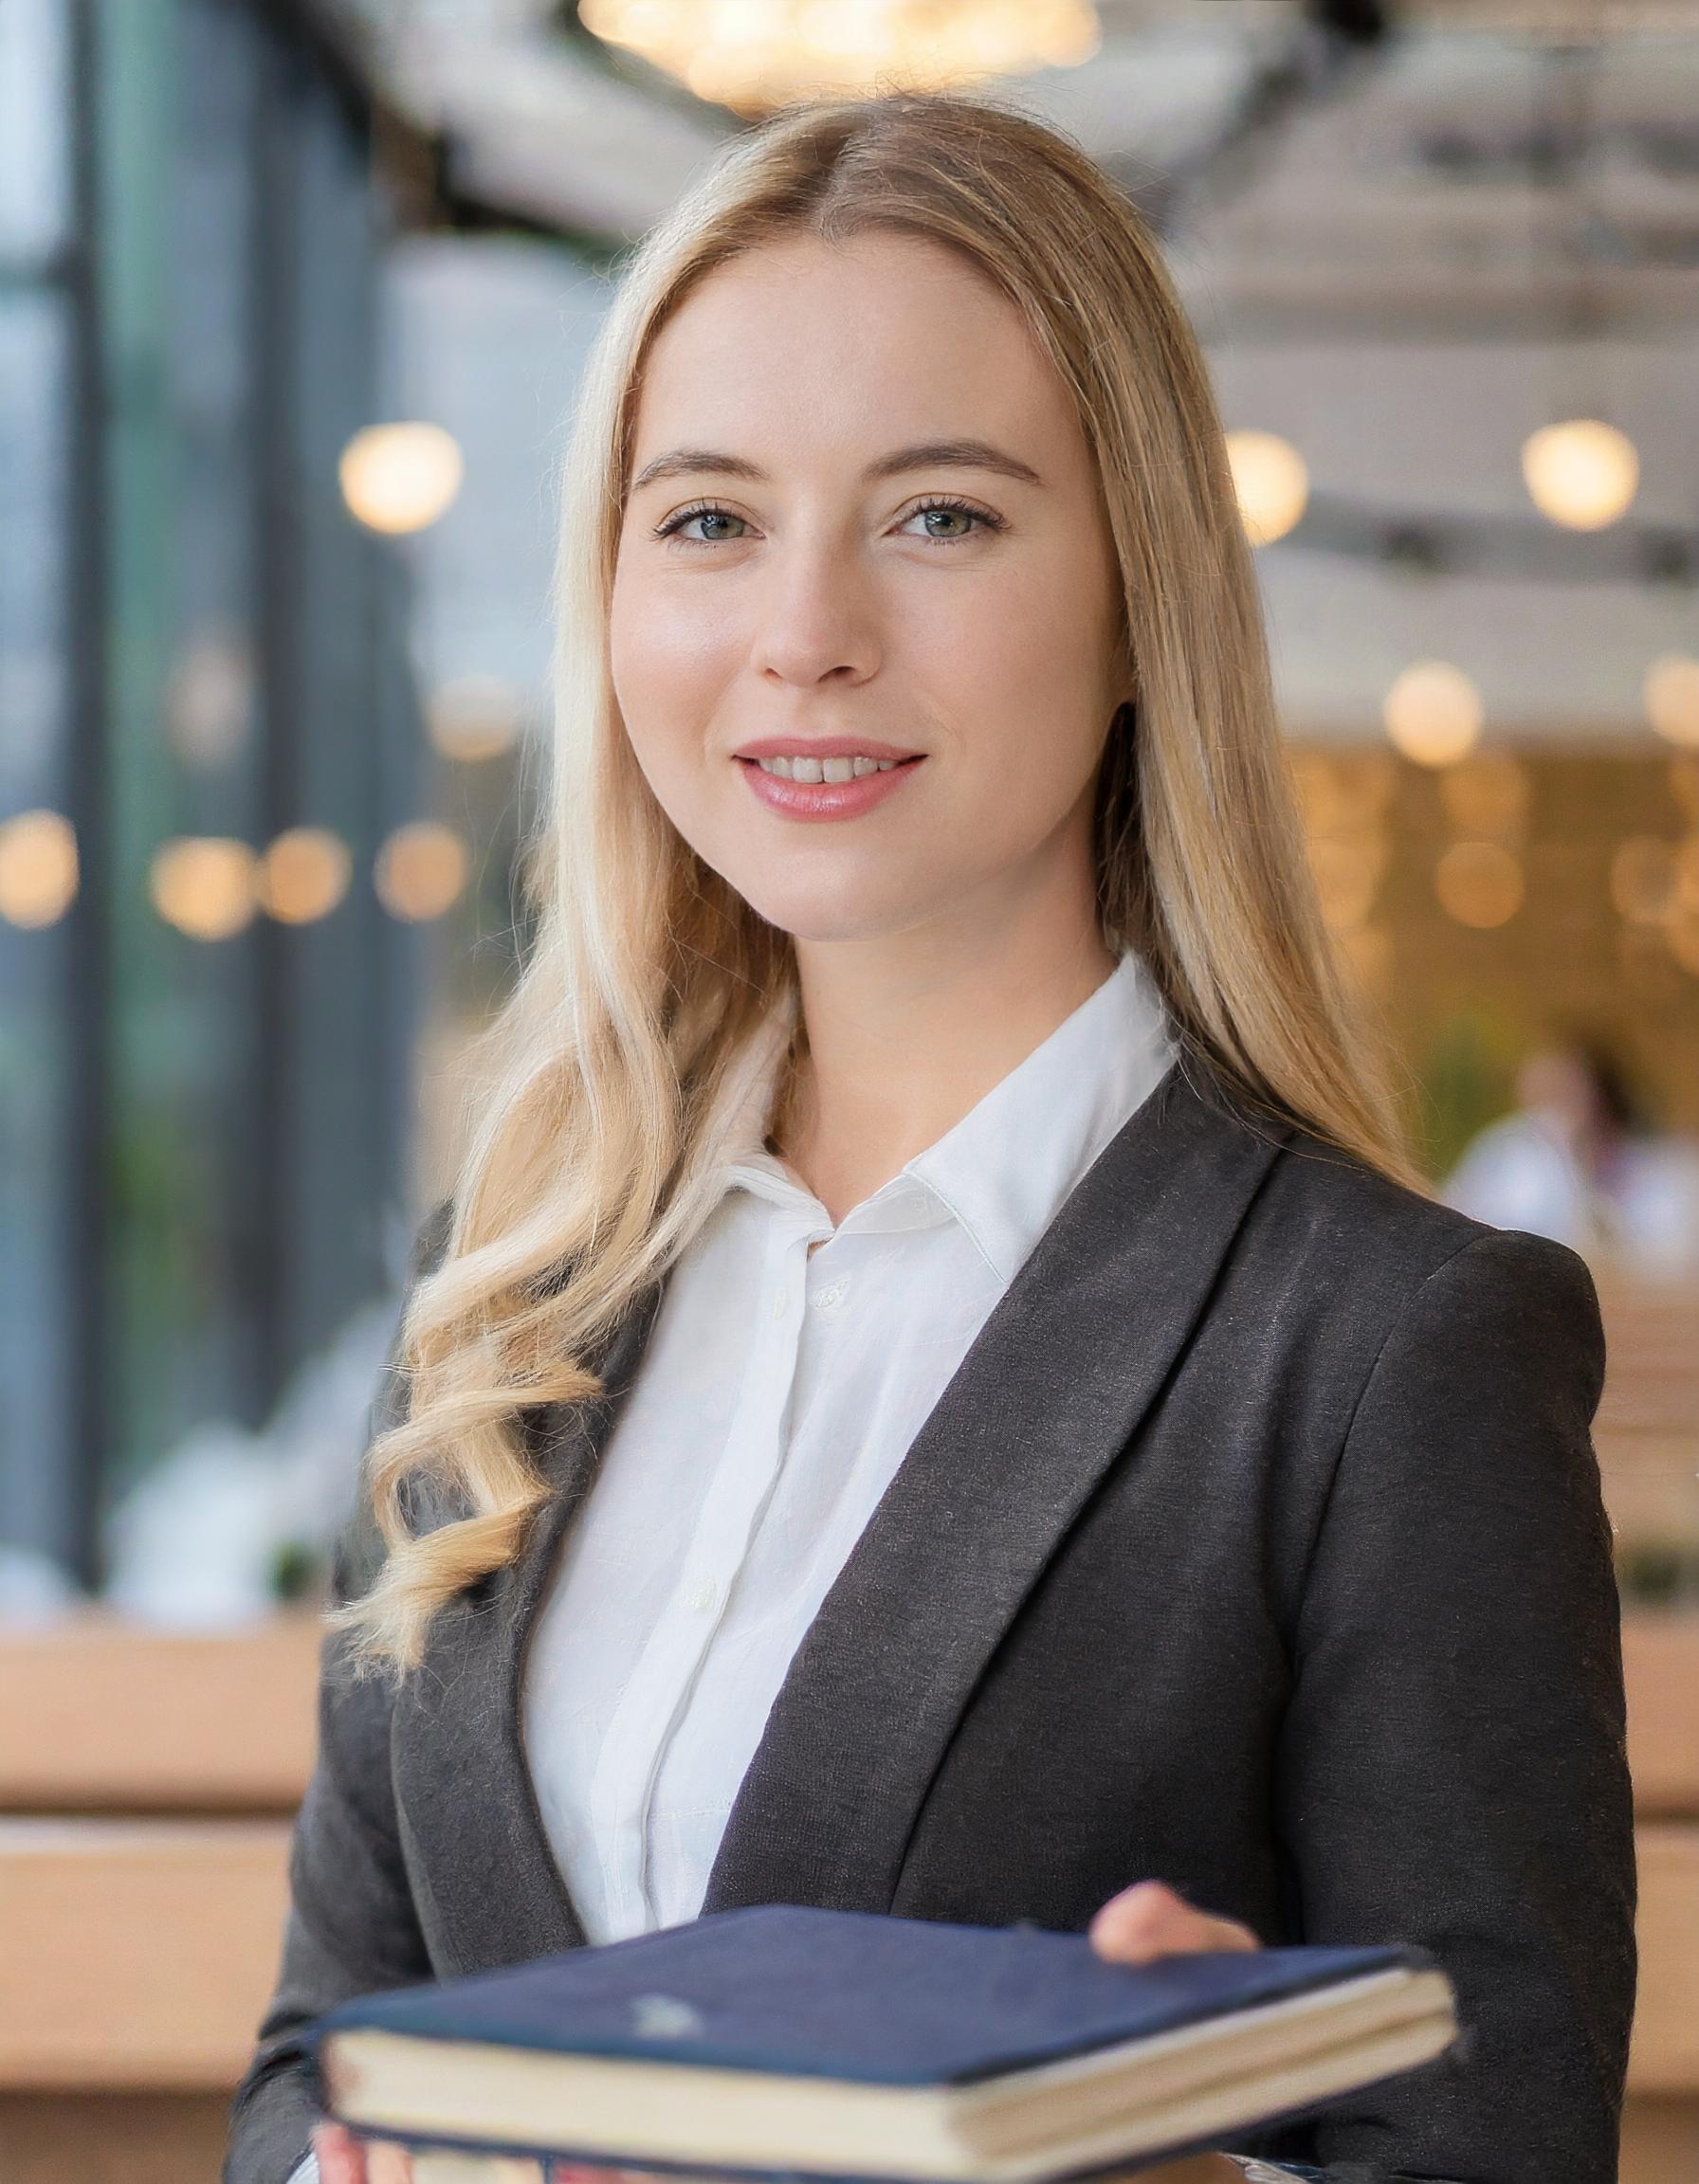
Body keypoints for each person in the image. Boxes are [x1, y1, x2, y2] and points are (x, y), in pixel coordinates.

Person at [224, 92, 1634, 2184]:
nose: (804, 632)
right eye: (705, 520)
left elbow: (1490, 2148)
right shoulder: (499, 1298)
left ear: (1137, 592)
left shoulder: (1383, 1350)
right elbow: (315, 2065)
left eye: (938, 516)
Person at [1445, 1029, 1699, 1279]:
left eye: (1563, 1091)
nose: (1549, 1112)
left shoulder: (1659, 1168)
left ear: (1602, 1094)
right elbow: (1465, 1222)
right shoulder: (1507, 1154)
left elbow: (1670, 1257)